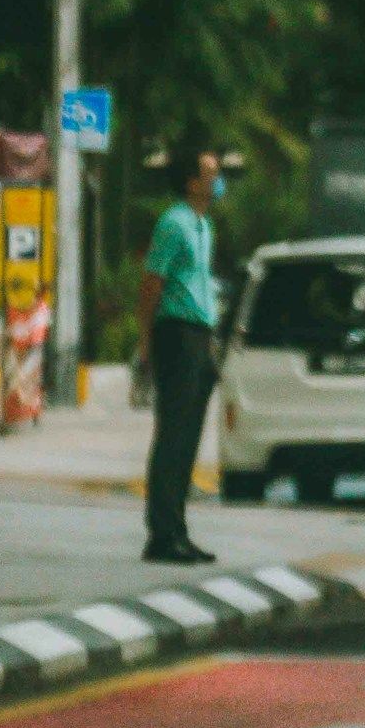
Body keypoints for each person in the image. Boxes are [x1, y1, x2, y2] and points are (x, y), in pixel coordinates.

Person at [138, 143, 224, 565]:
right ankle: (162, 532)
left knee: (189, 434)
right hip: (177, 333)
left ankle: (178, 528)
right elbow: (152, 282)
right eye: (211, 174)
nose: (218, 181)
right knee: (173, 433)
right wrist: (145, 340)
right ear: (192, 182)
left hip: (200, 334)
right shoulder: (173, 224)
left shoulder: (203, 226)